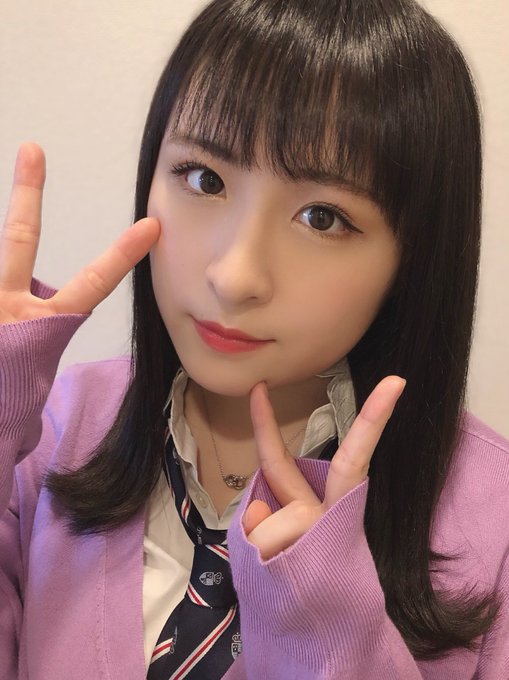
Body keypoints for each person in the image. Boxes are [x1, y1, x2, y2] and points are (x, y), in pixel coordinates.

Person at [0, 0, 508, 678]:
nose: (234, 275)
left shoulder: (495, 525)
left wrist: (327, 636)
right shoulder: (48, 429)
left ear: (414, 258)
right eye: (204, 179)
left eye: (322, 217)